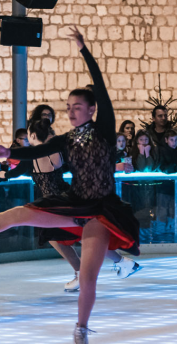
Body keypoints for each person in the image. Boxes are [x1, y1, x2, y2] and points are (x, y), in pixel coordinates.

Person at [0, 28, 139, 344]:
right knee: (19, 214)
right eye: (68, 107)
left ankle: (81, 328)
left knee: (89, 274)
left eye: (77, 107)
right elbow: (31, 154)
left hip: (101, 208)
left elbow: (101, 83)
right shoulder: (65, 140)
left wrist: (83, 49)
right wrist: (3, 152)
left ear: (93, 109)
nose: (71, 112)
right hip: (74, 201)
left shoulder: (105, 128)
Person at [23, 119, 138, 292]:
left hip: (58, 204)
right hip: (62, 200)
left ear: (33, 135)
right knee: (82, 235)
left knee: (70, 236)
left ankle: (83, 273)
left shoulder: (39, 154)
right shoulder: (52, 152)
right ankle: (121, 262)